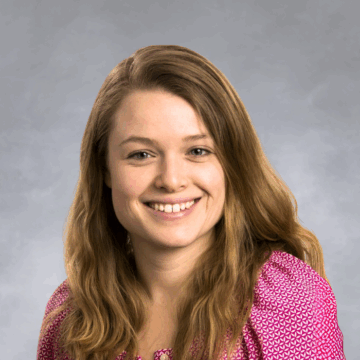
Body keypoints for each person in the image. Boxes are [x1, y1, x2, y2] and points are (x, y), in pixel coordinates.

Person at [37, 45, 346, 360]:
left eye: (198, 151)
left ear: (231, 163)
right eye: (141, 154)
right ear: (104, 169)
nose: (171, 180)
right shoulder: (69, 316)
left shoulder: (286, 299)